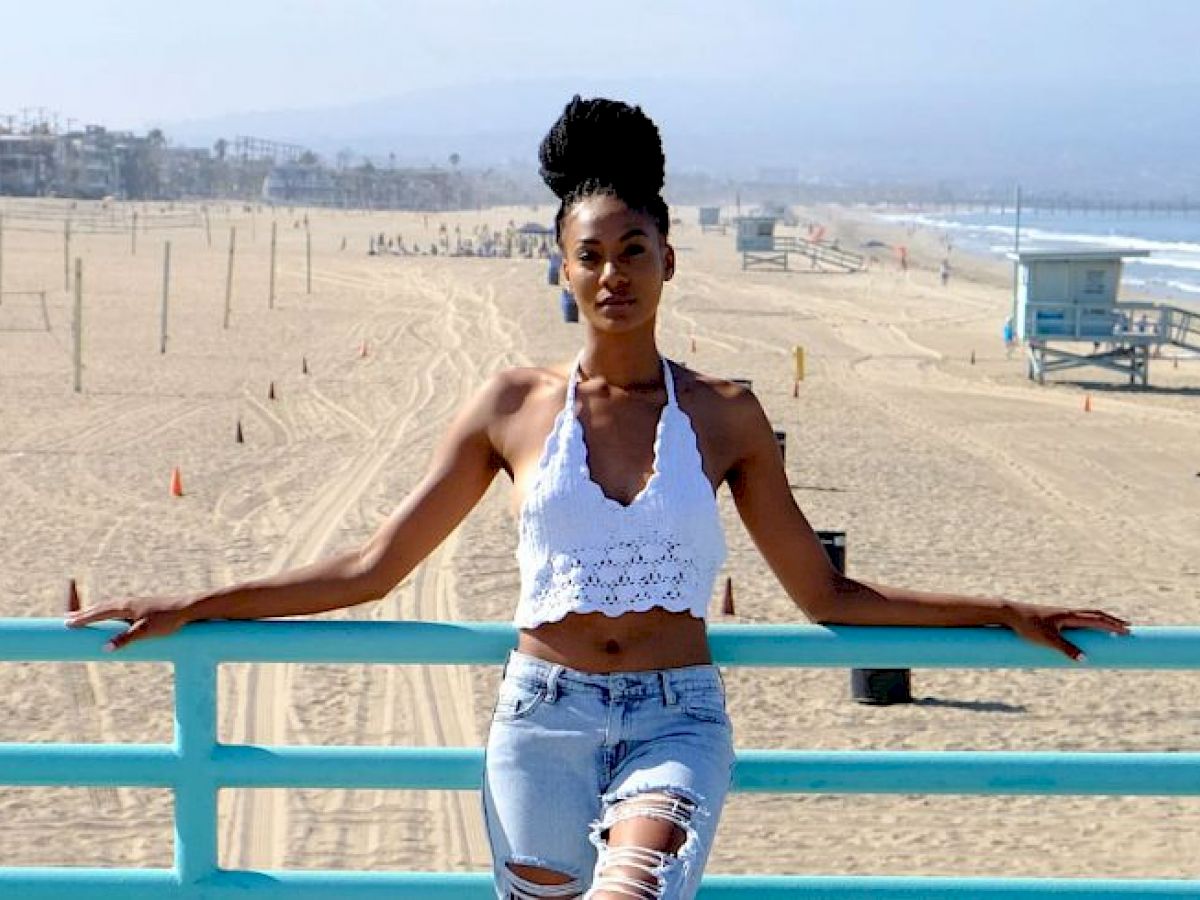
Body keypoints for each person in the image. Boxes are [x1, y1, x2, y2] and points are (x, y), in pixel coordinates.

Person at [65, 96, 1129, 900]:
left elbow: (824, 595)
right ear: (562, 271)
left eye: (634, 251)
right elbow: (370, 567)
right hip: (540, 724)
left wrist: (1000, 609)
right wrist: (198, 603)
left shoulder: (727, 415)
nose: (614, 272)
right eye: (591, 256)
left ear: (670, 261)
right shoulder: (510, 407)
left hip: (677, 723)